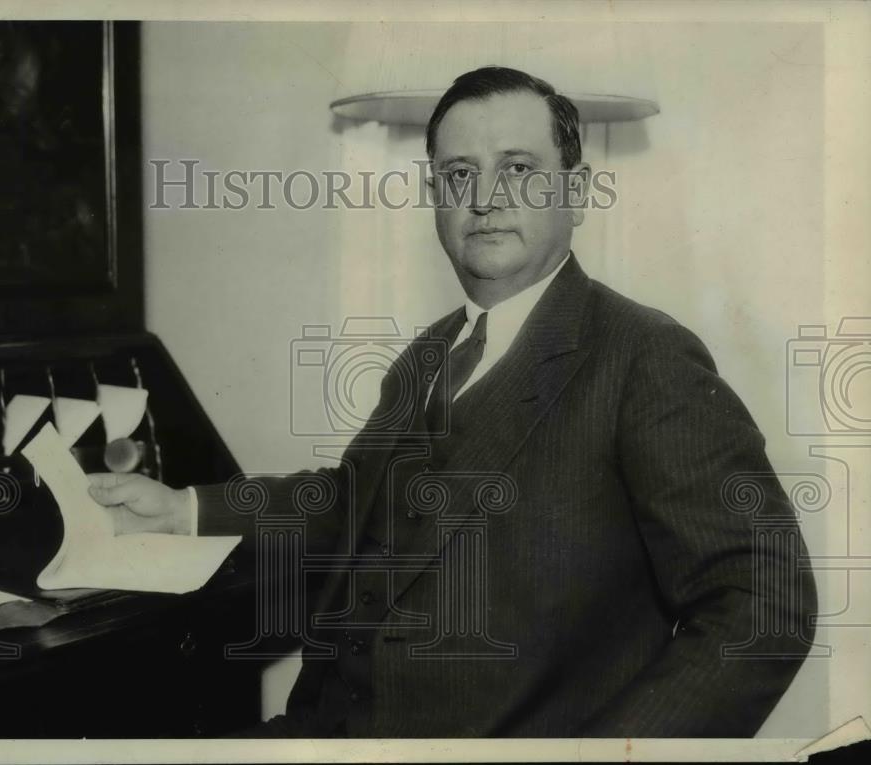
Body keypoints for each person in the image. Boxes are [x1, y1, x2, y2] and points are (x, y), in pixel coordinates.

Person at [88, 67, 817, 737]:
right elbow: (352, 503)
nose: (485, 197)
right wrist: (184, 510)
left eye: (518, 169)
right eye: (459, 173)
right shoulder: (430, 352)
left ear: (577, 193)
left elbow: (763, 603)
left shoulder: (644, 355)